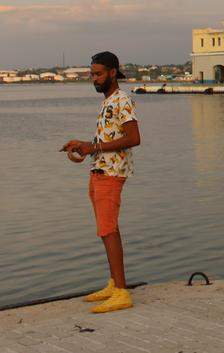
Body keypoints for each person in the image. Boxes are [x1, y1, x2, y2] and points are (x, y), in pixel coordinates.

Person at [61, 51, 142, 313]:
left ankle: (121, 292)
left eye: (98, 74)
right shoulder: (108, 101)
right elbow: (107, 139)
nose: (94, 78)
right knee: (108, 229)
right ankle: (114, 283)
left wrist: (93, 146)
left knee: (108, 230)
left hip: (111, 173)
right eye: (91, 74)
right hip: (100, 170)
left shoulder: (122, 100)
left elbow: (133, 138)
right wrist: (84, 146)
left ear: (112, 72)